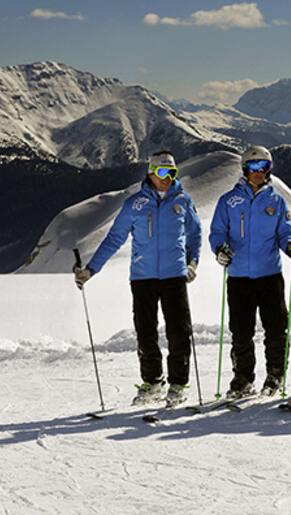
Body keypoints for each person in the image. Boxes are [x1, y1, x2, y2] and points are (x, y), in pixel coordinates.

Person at [74, 151, 201, 407]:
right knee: (146, 332)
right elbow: (114, 239)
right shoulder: (134, 204)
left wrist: (193, 263)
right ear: (151, 173)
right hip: (143, 277)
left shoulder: (183, 202)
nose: (167, 178)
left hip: (175, 275)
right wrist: (91, 270)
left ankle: (177, 385)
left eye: (172, 173)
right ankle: (152, 382)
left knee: (179, 331)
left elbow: (195, 235)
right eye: (163, 173)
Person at [209, 145, 291, 398]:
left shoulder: (276, 200)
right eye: (253, 167)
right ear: (244, 169)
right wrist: (220, 249)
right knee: (241, 332)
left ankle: (275, 374)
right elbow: (218, 232)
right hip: (239, 276)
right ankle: (243, 378)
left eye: (264, 167)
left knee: (275, 329)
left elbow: (285, 232)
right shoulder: (228, 201)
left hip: (269, 275)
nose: (259, 172)